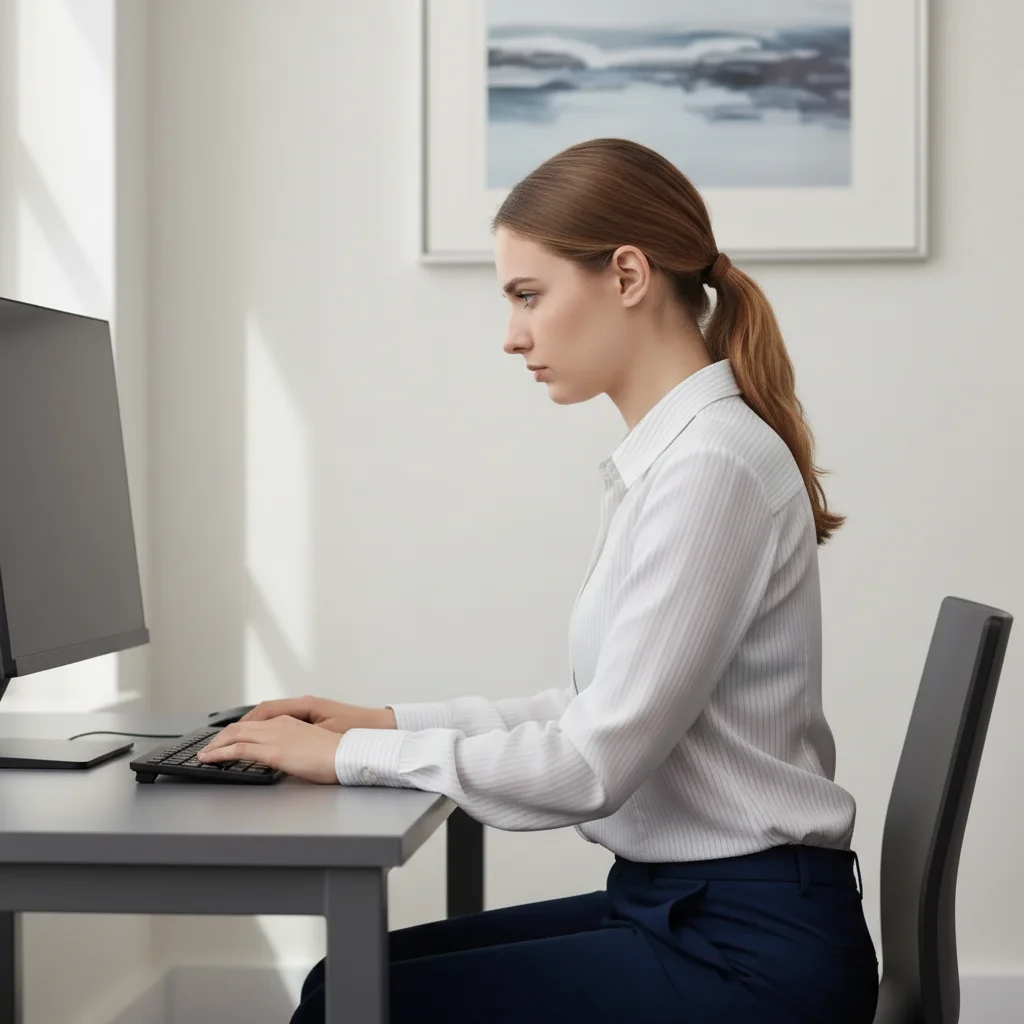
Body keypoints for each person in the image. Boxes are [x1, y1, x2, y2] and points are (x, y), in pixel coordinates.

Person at [199, 138, 879, 1023]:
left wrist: (349, 758)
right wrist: (378, 723)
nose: (512, 334)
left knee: (350, 1003)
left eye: (529, 295)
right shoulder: (675, 459)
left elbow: (591, 764)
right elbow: (591, 708)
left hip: (746, 952)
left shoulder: (712, 466)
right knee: (340, 984)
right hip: (689, 909)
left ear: (627, 275)